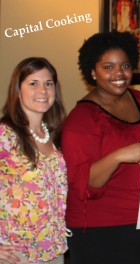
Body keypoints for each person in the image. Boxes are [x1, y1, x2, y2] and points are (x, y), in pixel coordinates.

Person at [61, 32, 140, 264]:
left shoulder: (139, 98)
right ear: (92, 71)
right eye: (108, 67)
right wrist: (119, 155)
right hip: (105, 230)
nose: (119, 74)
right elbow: (85, 183)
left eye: (125, 65)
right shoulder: (81, 119)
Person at [0, 57, 67, 263]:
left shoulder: (54, 136)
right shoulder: (5, 135)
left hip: (54, 250)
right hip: (16, 253)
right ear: (18, 90)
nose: (43, 90)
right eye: (33, 83)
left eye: (48, 83)